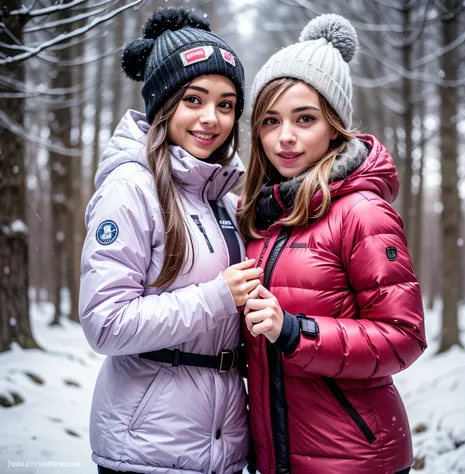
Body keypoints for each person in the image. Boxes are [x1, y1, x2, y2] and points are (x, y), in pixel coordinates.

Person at [237, 13, 427, 474]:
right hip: (279, 457)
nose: (284, 137)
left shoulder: (361, 211)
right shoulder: (265, 214)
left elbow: (405, 337)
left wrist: (296, 331)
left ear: (335, 125)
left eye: (305, 119)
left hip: (355, 457)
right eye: (270, 120)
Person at [79, 7, 262, 474]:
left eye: (225, 105)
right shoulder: (131, 188)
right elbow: (105, 323)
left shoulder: (219, 195)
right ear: (163, 103)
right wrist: (218, 297)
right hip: (146, 449)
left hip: (222, 447)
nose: (211, 119)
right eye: (194, 99)